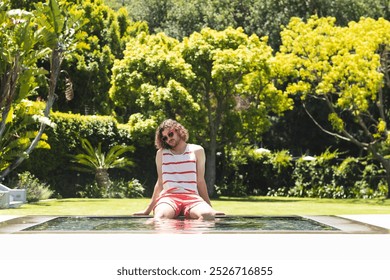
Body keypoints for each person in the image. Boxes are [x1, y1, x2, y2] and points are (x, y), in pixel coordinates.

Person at [134, 119, 223, 220]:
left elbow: (200, 181)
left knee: (208, 215)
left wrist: (210, 208)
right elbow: (160, 182)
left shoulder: (197, 150)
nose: (168, 139)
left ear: (178, 130)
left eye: (170, 134)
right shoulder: (161, 153)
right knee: (160, 217)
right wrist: (147, 210)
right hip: (168, 198)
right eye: (164, 138)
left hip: (192, 198)